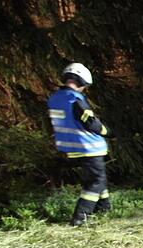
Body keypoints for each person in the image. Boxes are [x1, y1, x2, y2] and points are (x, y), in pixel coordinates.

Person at [47, 63, 113, 226]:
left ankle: (104, 209)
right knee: (95, 182)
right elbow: (91, 123)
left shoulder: (55, 98)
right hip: (89, 147)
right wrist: (109, 133)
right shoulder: (74, 99)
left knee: (98, 178)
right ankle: (79, 218)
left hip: (70, 148)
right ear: (82, 81)